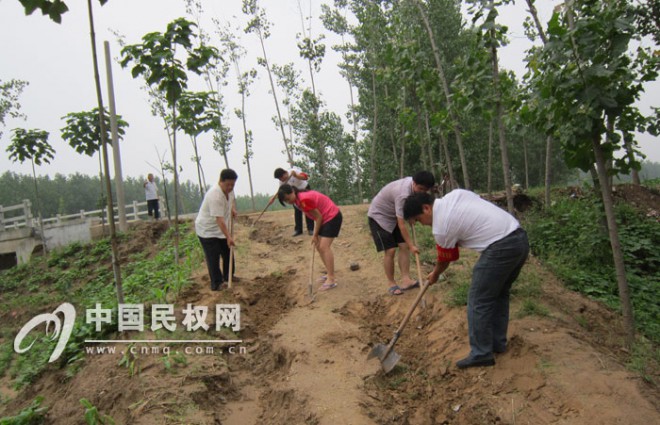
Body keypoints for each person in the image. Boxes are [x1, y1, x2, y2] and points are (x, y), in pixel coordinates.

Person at [403, 190, 529, 369]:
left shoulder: (441, 227)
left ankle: (481, 353)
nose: (421, 224)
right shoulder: (455, 195)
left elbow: (446, 259)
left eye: (418, 220)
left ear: (426, 208)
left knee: (478, 300)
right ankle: (496, 344)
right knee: (499, 294)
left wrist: (436, 274)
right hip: (519, 238)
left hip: (500, 247)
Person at [367, 171, 436, 295]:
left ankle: (406, 280)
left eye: (424, 190)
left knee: (403, 247)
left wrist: (411, 217)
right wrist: (412, 245)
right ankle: (391, 284)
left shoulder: (416, 187)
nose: (421, 192)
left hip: (393, 216)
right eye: (420, 188)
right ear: (414, 183)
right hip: (379, 217)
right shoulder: (402, 194)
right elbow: (401, 224)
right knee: (391, 250)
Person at [278, 184, 342, 291]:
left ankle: (331, 279)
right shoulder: (298, 200)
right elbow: (316, 216)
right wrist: (316, 236)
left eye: (288, 199)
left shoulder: (303, 199)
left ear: (292, 192)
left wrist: (315, 235)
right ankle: (329, 272)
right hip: (324, 218)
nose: (288, 202)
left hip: (332, 216)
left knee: (324, 247)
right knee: (318, 246)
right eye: (286, 201)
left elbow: (318, 217)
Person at [195, 169, 239, 291]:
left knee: (227, 251)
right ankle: (217, 283)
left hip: (219, 228)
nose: (230, 187)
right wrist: (229, 237)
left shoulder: (229, 191)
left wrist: (232, 209)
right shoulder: (215, 195)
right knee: (213, 256)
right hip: (207, 230)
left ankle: (229, 275)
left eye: (233, 184)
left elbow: (231, 201)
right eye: (228, 184)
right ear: (221, 181)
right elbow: (219, 220)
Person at [269, 167, 314, 236]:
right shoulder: (282, 182)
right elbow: (281, 191)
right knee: (297, 210)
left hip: (304, 189)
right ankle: (298, 230)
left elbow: (305, 177)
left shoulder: (293, 171)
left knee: (307, 209)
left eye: (281, 177)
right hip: (294, 194)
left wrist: (296, 175)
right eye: (279, 179)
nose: (281, 179)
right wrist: (273, 198)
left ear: (284, 173)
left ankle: (311, 229)